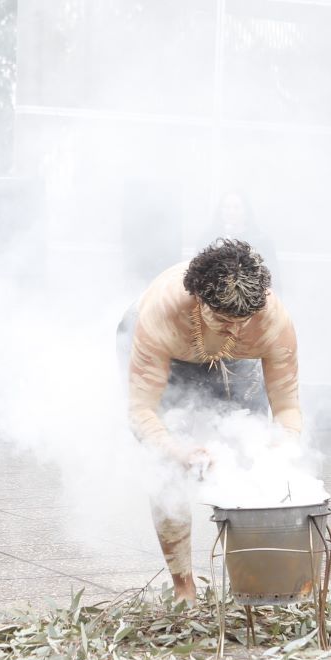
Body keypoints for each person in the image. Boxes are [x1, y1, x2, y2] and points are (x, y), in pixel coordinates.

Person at [126, 239, 300, 604]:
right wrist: (177, 450)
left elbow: (286, 409)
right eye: (222, 321)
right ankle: (183, 588)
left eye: (243, 322)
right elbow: (142, 411)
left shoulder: (271, 323)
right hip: (169, 355)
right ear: (198, 301)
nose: (234, 332)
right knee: (167, 468)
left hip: (237, 361)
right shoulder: (161, 316)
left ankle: (254, 583)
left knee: (251, 452)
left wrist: (280, 446)